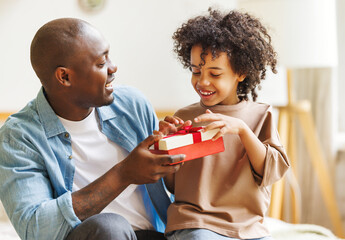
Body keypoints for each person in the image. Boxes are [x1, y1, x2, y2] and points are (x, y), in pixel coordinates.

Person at [0, 18, 185, 240]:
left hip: (152, 235)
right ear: (64, 77)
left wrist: (173, 153)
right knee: (110, 228)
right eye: (100, 63)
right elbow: (35, 229)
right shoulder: (19, 137)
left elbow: (171, 189)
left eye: (109, 56)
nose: (113, 67)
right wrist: (123, 174)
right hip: (100, 235)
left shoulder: (133, 104)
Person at [156, 9, 290, 240]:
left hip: (249, 228)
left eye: (215, 74)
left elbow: (271, 172)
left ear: (241, 72)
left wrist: (242, 130)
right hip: (196, 223)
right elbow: (173, 185)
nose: (202, 81)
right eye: (196, 71)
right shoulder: (186, 116)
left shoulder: (260, 116)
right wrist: (165, 147)